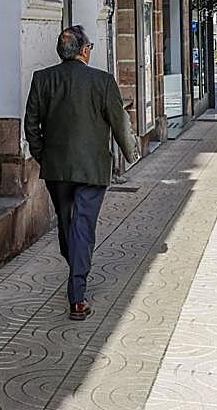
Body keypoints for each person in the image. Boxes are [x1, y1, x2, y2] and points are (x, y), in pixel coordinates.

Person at [24, 25, 140, 321]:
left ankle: (76, 284)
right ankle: (77, 294)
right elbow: (119, 122)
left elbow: (31, 124)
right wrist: (132, 154)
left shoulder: (42, 79)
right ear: (85, 50)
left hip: (57, 169)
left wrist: (42, 155)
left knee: (67, 226)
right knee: (82, 227)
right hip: (91, 169)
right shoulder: (102, 81)